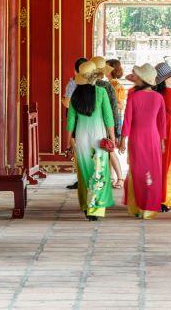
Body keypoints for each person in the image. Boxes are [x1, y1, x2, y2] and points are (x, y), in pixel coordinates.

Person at [63, 61, 116, 221]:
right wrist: (113, 138)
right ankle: (96, 208)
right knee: (99, 170)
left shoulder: (75, 96)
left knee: (85, 172)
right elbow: (108, 118)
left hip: (81, 138)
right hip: (98, 137)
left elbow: (70, 122)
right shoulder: (101, 92)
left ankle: (87, 205)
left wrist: (68, 143)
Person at [119, 64, 167, 219]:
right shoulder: (159, 97)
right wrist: (162, 140)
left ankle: (138, 206)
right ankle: (150, 207)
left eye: (137, 76)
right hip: (153, 137)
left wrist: (123, 140)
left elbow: (127, 121)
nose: (135, 78)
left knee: (137, 171)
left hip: (136, 137)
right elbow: (162, 122)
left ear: (143, 80)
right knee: (153, 170)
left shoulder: (133, 96)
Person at [90, 56, 124, 189]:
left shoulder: (112, 85)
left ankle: (119, 177)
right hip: (106, 121)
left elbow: (118, 105)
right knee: (107, 149)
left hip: (108, 121)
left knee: (109, 149)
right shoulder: (104, 85)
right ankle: (110, 177)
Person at [153, 62, 171, 212]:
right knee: (170, 167)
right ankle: (166, 199)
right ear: (166, 79)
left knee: (156, 166)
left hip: (153, 133)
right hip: (170, 133)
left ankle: (154, 197)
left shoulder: (152, 94)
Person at [63, 57, 88, 190]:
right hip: (91, 122)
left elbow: (67, 103)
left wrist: (64, 100)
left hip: (77, 120)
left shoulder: (73, 84)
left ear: (75, 71)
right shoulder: (96, 85)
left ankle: (81, 179)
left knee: (78, 152)